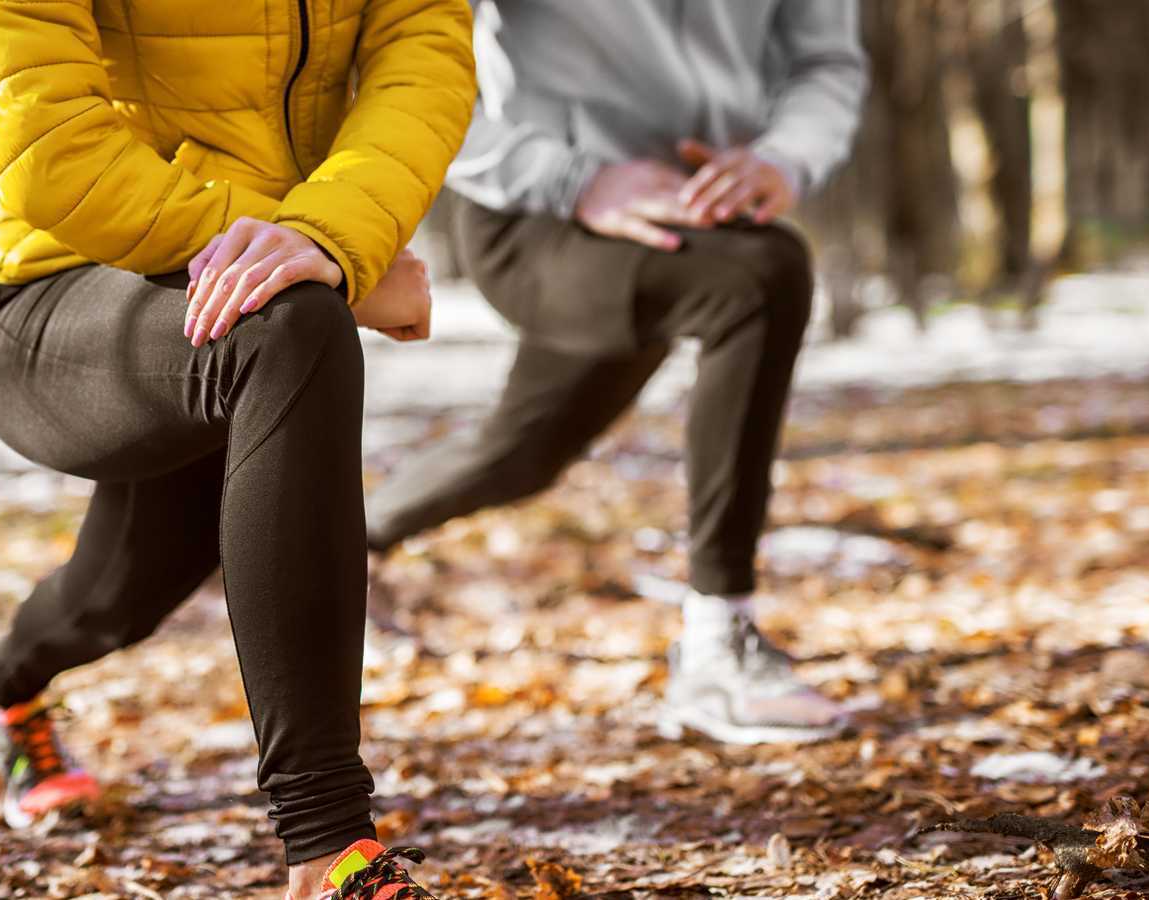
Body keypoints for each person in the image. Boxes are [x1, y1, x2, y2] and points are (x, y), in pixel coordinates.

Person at [0, 1, 473, 896]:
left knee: (119, 595)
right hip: (54, 297)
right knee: (292, 327)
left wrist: (330, 235)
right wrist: (316, 261)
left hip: (248, 292)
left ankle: (2, 694)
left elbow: (423, 55)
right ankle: (331, 849)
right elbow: (50, 146)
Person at [367, 0, 867, 745]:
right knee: (766, 277)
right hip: (536, 218)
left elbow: (825, 63)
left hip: (688, 223)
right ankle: (716, 646)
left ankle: (348, 540)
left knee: (525, 451)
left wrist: (783, 158)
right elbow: (393, 64)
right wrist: (575, 180)